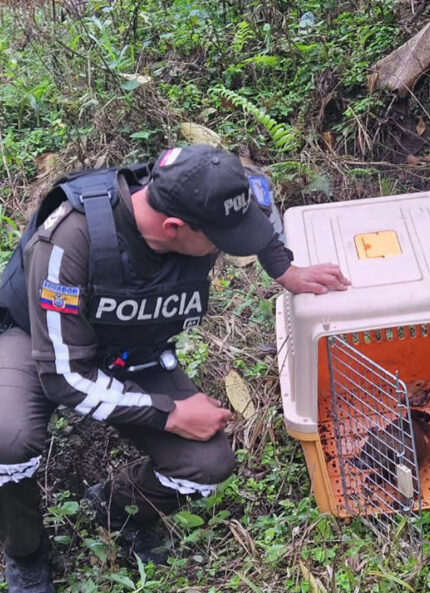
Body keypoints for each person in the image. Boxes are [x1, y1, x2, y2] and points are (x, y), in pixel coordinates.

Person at [0, 145, 350, 592]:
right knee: (7, 438)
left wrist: (284, 269)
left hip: (133, 348)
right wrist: (169, 413)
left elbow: (253, 202)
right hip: (41, 343)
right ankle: (25, 552)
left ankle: (116, 504)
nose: (226, 250)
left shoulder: (206, 185)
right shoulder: (70, 241)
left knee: (208, 463)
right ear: (173, 227)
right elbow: (65, 376)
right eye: (220, 242)